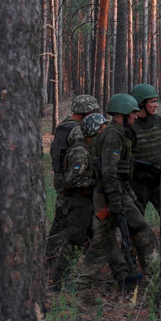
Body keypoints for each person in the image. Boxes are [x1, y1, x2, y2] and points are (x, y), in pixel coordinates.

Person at [77, 94, 159, 290]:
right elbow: (109, 171)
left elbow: (120, 172)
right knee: (143, 232)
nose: (136, 117)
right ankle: (155, 277)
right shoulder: (113, 136)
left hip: (114, 192)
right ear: (123, 114)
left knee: (104, 240)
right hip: (111, 193)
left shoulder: (117, 134)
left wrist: (129, 196)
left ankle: (91, 281)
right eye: (133, 113)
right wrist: (115, 200)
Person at [51, 112, 108, 286]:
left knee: (99, 238)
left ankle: (90, 275)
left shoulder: (93, 148)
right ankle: (59, 280)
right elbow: (72, 180)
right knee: (75, 240)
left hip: (91, 201)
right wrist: (96, 183)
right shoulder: (80, 151)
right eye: (102, 130)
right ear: (93, 131)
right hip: (79, 202)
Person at [46, 94, 100, 264]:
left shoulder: (63, 125)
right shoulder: (78, 130)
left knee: (77, 218)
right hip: (72, 180)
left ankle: (87, 253)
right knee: (64, 219)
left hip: (60, 176)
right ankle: (51, 258)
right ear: (87, 111)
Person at [128, 83, 161, 216]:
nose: (156, 105)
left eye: (156, 101)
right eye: (152, 102)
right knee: (136, 221)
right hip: (138, 182)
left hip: (159, 180)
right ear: (141, 103)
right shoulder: (130, 126)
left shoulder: (158, 121)